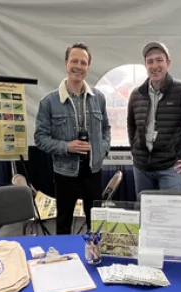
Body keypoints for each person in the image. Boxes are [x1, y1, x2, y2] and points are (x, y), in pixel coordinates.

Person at [34, 43, 111, 235]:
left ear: (88, 67)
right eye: (74, 61)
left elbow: (106, 129)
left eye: (83, 62)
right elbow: (40, 138)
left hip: (93, 171)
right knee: (63, 223)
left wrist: (102, 150)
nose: (78, 66)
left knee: (96, 223)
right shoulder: (49, 102)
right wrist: (66, 146)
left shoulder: (99, 98)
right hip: (65, 173)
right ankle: (65, 260)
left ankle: (94, 258)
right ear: (66, 63)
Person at [127, 41, 181, 195]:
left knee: (170, 215)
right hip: (141, 169)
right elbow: (131, 126)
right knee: (145, 212)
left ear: (168, 63)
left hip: (170, 169)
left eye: (159, 60)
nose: (155, 66)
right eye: (150, 61)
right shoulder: (136, 94)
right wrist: (135, 151)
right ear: (145, 65)